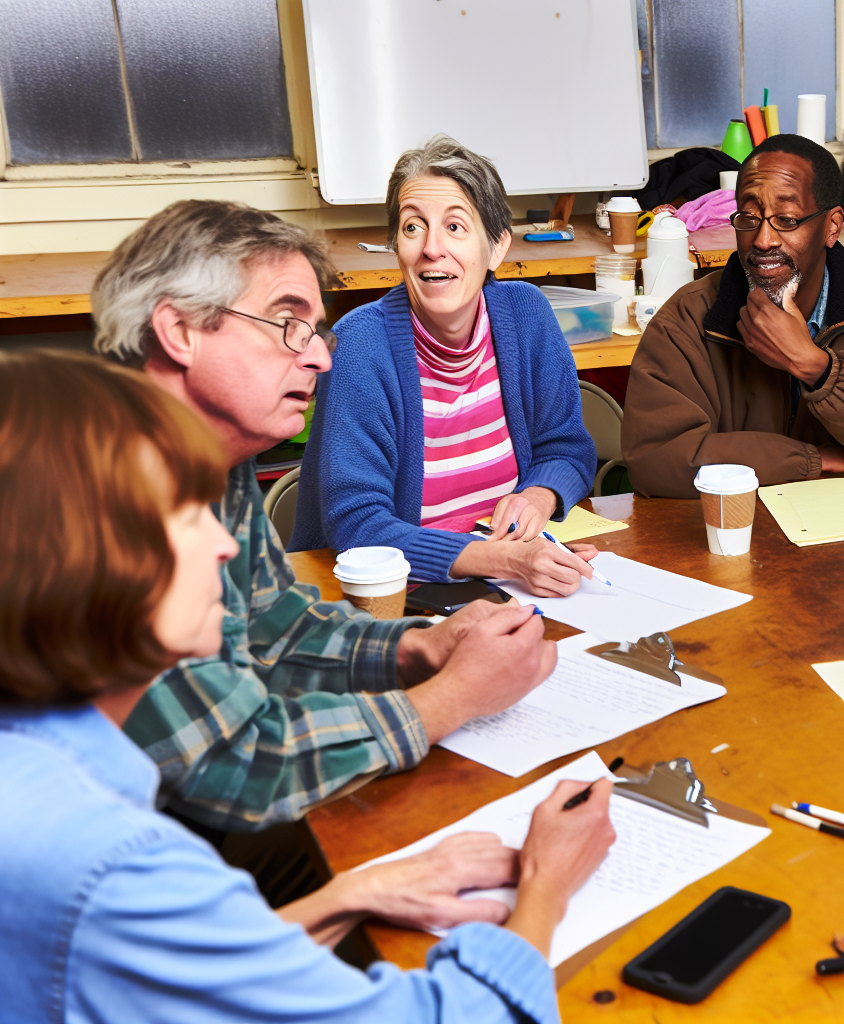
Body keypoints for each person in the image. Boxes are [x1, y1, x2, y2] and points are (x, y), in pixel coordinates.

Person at [0, 349, 618, 1024]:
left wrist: (349, 894)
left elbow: (191, 975)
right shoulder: (114, 867)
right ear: (78, 559)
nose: (225, 546)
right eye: (183, 514)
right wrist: (545, 885)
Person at [93, 198, 557, 831]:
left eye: (315, 331)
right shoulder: (100, 497)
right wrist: (451, 698)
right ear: (180, 332)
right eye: (287, 323)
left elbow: (275, 628)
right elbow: (235, 765)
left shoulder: (210, 455)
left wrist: (419, 647)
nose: (319, 357)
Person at [291, 135, 600, 597]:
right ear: (396, 245)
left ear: (496, 247)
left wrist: (538, 496)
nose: (432, 248)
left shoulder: (526, 314)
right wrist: (501, 560)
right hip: (386, 598)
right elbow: (356, 524)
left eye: (455, 227)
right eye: (413, 227)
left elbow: (567, 449)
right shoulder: (360, 346)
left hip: (507, 578)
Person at [622, 134, 844, 498]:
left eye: (787, 220)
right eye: (748, 217)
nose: (763, 240)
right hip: (734, 534)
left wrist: (818, 367)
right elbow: (654, 460)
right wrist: (811, 461)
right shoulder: (686, 319)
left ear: (832, 227)